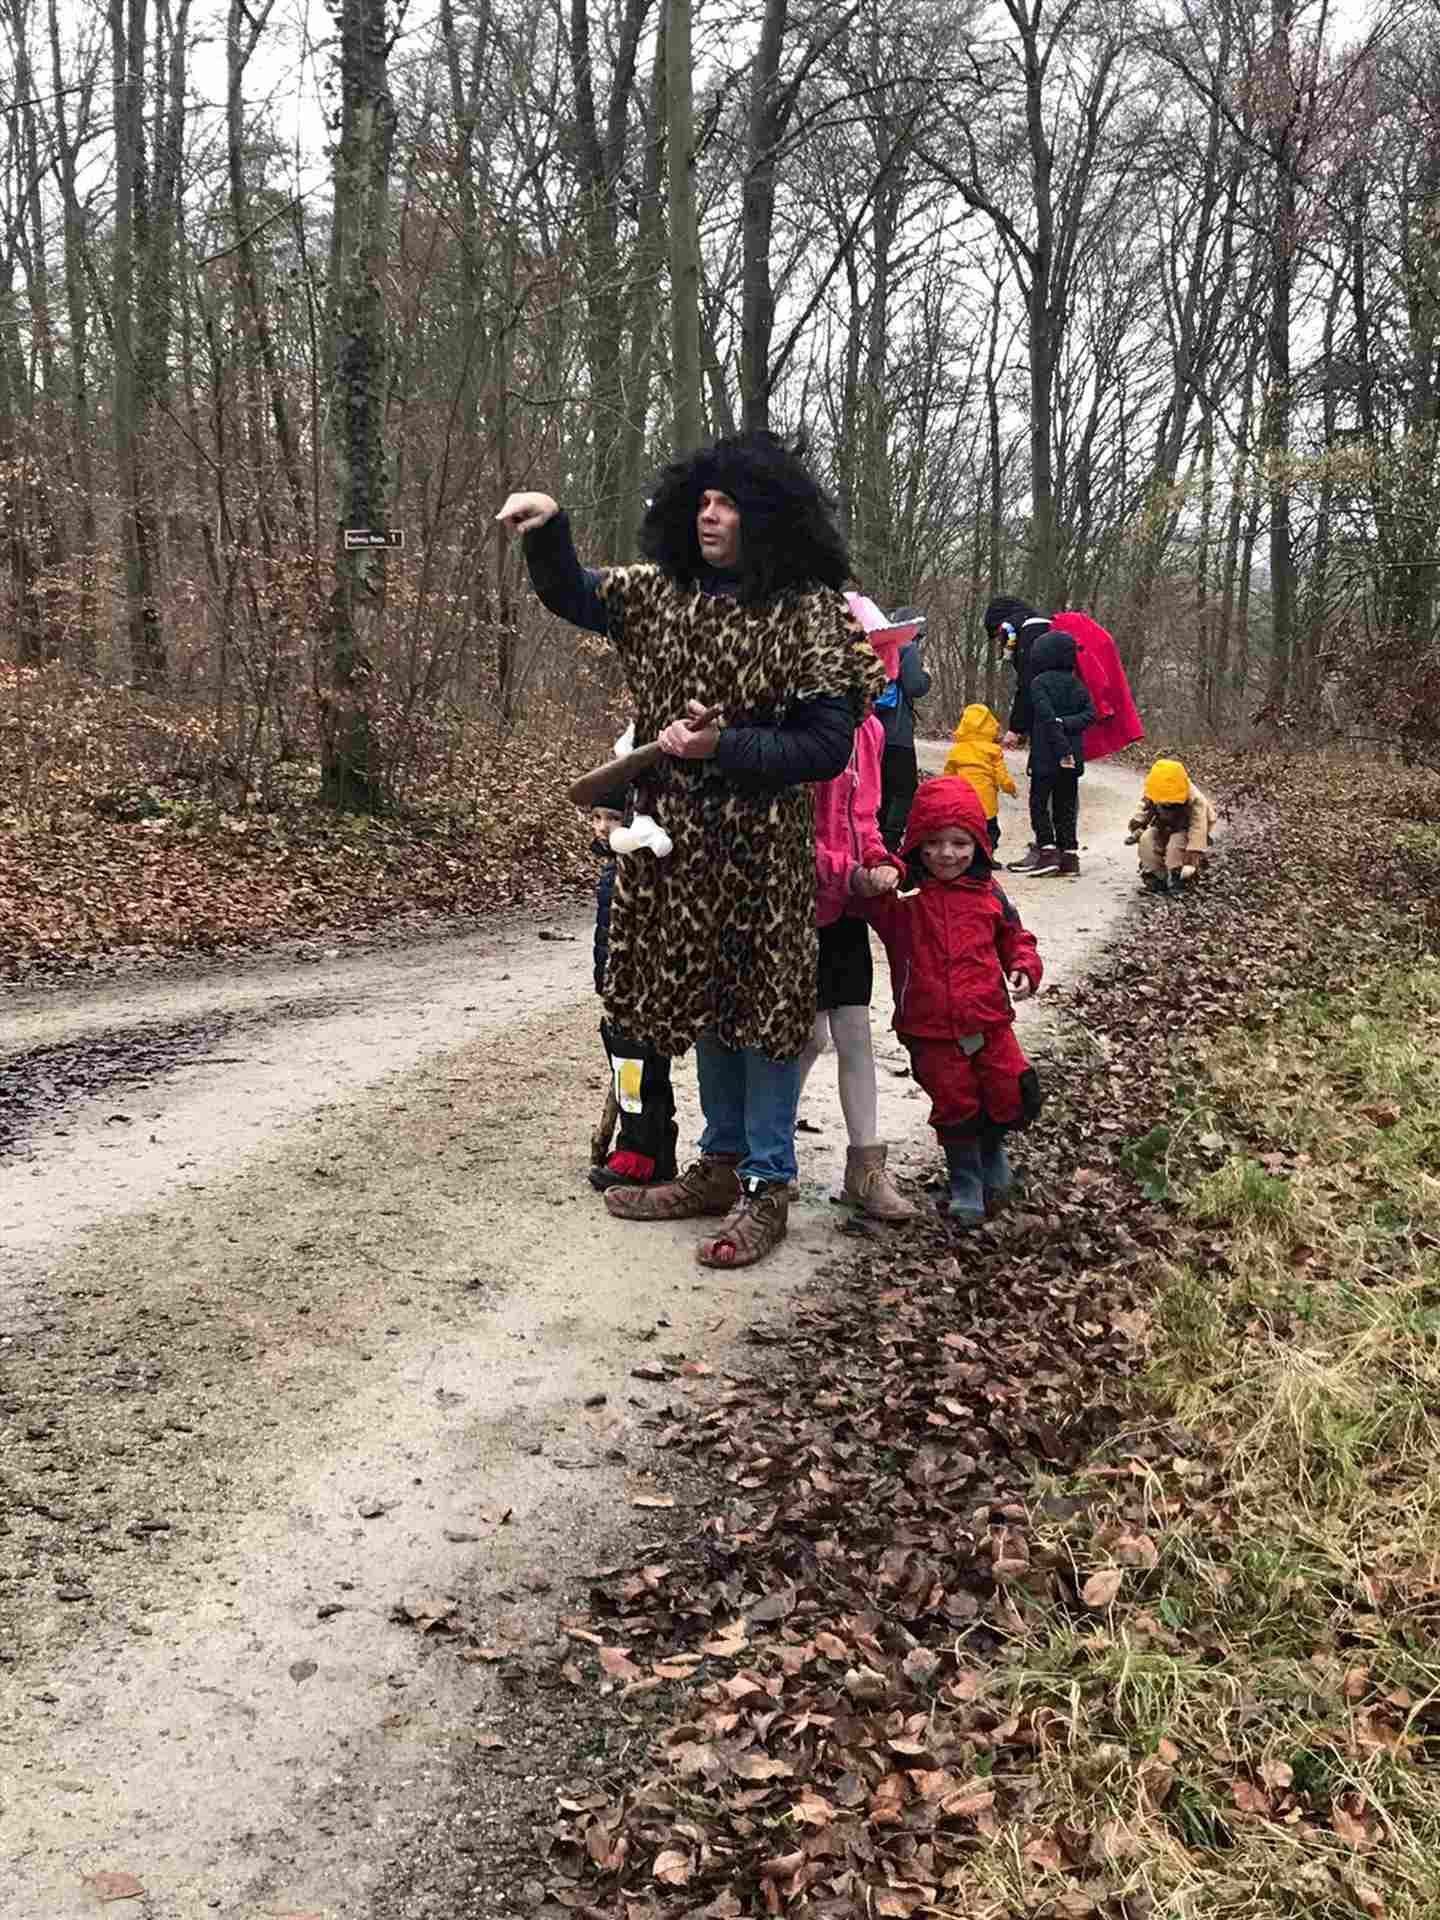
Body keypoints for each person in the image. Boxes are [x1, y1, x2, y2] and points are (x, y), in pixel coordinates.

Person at [497, 433, 884, 1269]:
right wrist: (550, 527)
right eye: (702, 501)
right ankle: (718, 1164)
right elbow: (575, 592)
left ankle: (767, 1182)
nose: (710, 516)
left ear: (767, 516)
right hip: (676, 851)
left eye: (729, 504)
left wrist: (724, 747)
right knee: (705, 1002)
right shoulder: (662, 594)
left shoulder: (810, 612)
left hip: (762, 853)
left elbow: (825, 748)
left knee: (767, 1015)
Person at [851, 778, 1042, 1227]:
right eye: (933, 843)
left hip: (989, 1020)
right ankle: (966, 1180)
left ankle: (993, 1153)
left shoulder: (989, 894)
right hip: (929, 1027)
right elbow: (863, 897)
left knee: (1010, 1089)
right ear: (917, 845)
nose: (947, 854)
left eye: (960, 843)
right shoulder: (904, 901)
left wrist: (1024, 965)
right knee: (955, 1103)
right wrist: (884, 870)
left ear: (979, 844)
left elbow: (1015, 936)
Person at [796, 592, 914, 1223]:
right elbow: (786, 841)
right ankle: (766, 1156)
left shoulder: (869, 732)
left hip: (844, 914)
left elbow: (862, 819)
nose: (883, 672)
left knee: (853, 1032)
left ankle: (866, 1168)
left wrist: (881, 861)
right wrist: (850, 874)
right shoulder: (800, 732)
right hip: (792, 914)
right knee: (801, 1036)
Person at [588, 785, 678, 1191]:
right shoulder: (615, 866)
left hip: (637, 992)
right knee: (636, 1070)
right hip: (618, 989)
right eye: (596, 818)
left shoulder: (639, 866)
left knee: (635, 1072)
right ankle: (657, 1152)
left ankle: (638, 1154)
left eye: (613, 818)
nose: (603, 827)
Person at [1011, 627, 1096, 877]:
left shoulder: (1039, 683)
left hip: (1047, 756)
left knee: (1039, 804)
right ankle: (1069, 856)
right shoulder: (1078, 684)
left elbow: (1047, 718)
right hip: (1071, 759)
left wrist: (1061, 746)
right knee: (1065, 807)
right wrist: (1068, 725)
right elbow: (1089, 715)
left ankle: (1048, 851)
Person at [876, 604, 931, 850]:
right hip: (897, 732)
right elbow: (914, 686)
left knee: (880, 786)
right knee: (904, 789)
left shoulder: (877, 645)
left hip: (873, 730)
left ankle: (874, 838)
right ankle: (890, 842)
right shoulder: (908, 648)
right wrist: (927, 676)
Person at [1127, 759, 1217, 893]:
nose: (1167, 804)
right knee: (1146, 839)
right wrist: (1138, 822)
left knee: (1175, 845)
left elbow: (1199, 826)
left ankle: (1178, 877)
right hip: (1162, 823)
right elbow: (1144, 807)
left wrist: (1193, 852)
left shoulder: (1195, 799)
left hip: (1186, 826)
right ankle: (1156, 875)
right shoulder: (1154, 790)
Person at [941, 702, 1017, 851]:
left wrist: (945, 795)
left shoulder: (957, 751)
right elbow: (1001, 774)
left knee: (967, 831)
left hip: (963, 803)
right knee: (990, 832)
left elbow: (948, 776)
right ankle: (987, 855)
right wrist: (1010, 788)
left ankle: (969, 855)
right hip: (986, 804)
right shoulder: (993, 750)